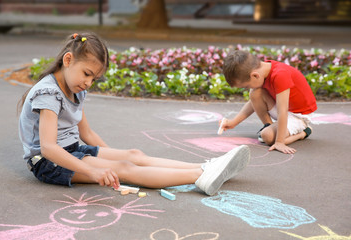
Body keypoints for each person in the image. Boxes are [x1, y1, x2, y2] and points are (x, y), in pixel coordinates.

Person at [18, 32, 250, 196]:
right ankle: (200, 176)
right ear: (68, 60)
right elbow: (49, 148)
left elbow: (85, 131)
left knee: (132, 155)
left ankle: (205, 166)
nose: (88, 83)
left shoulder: (75, 87)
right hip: (48, 163)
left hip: (72, 150)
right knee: (127, 170)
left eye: (94, 79)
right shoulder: (48, 93)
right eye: (87, 74)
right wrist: (96, 169)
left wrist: (113, 158)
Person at [220, 50, 317, 154]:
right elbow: (252, 102)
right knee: (255, 93)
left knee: (267, 136)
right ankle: (269, 126)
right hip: (285, 110)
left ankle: (303, 133)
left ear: (255, 76)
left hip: (299, 115)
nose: (248, 88)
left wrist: (279, 142)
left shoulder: (280, 75)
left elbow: (282, 111)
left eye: (247, 86)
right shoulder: (263, 70)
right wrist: (233, 122)